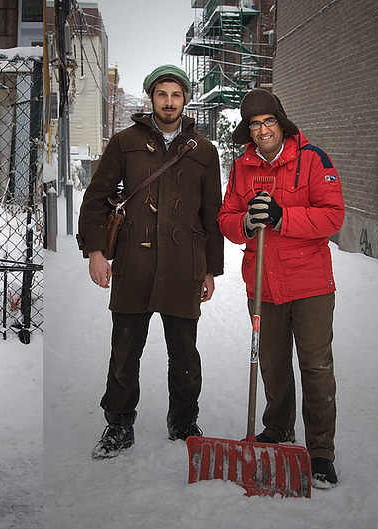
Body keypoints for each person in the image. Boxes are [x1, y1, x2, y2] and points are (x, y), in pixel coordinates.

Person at [76, 65, 223, 459]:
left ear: (185, 99)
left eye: (176, 94)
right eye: (162, 94)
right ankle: (119, 425)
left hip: (184, 265)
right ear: (151, 98)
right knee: (124, 351)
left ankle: (183, 420)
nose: (169, 102)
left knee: (185, 353)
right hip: (132, 264)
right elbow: (96, 198)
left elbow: (212, 215)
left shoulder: (205, 151)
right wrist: (95, 252)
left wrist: (210, 269)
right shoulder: (124, 142)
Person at [216, 89, 345, 488]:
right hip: (262, 284)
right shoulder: (241, 168)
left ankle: (320, 451)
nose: (261, 130)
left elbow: (333, 217)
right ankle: (277, 429)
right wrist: (244, 224)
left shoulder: (312, 159)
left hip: (309, 284)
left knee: (315, 366)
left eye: (268, 122)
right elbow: (226, 217)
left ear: (281, 123)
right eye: (254, 125)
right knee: (271, 362)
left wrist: (280, 216)